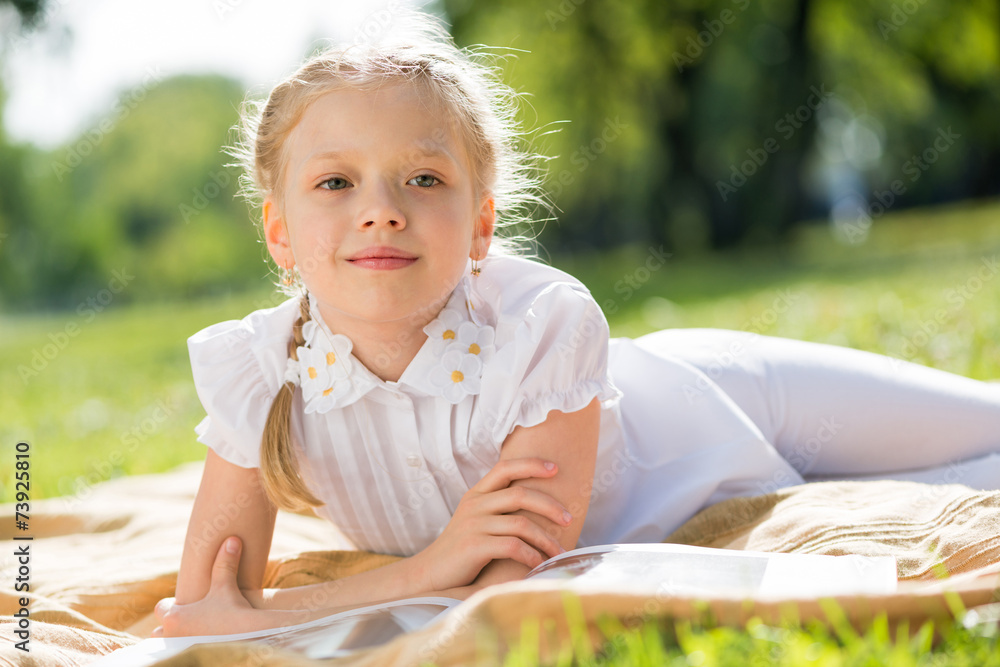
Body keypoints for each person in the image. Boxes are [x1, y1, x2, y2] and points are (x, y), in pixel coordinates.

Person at [152, 14, 1000, 638]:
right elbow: (203, 607)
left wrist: (308, 601)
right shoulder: (261, 370)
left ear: (481, 225)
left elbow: (504, 577)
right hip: (689, 500)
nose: (379, 212)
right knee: (967, 475)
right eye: (335, 183)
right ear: (278, 231)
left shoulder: (541, 324)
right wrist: (421, 570)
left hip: (726, 397)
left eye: (421, 178)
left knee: (987, 430)